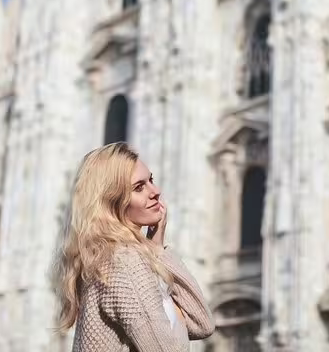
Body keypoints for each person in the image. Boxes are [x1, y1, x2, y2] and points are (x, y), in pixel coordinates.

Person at [52, 142, 215, 351]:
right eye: (139, 187)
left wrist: (157, 250)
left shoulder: (116, 257)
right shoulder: (122, 262)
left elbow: (202, 323)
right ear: (113, 201)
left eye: (151, 180)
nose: (155, 192)